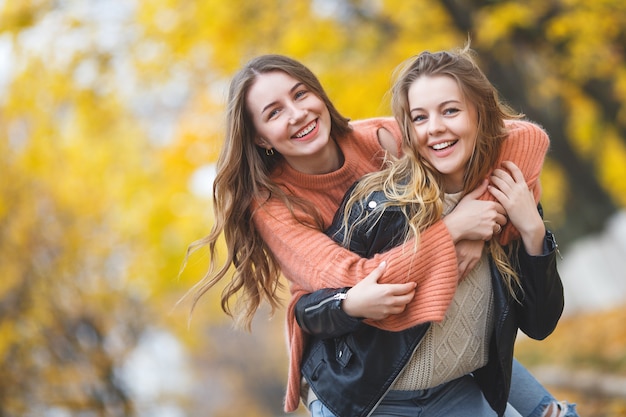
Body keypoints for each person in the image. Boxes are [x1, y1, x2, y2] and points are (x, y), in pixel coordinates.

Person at [184, 53, 560, 415]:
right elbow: (355, 279)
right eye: (274, 112)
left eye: (300, 94)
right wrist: (454, 230)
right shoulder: (273, 205)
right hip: (355, 353)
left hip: (431, 330)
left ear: (320, 95)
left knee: (550, 410)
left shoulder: (380, 139)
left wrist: (482, 223)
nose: (297, 114)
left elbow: (520, 137)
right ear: (261, 138)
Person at [295, 47, 576, 417]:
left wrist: (533, 231)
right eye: (420, 117)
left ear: (480, 113)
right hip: (368, 400)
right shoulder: (381, 204)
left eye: (450, 110)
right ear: (408, 129)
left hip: (453, 391)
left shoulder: (510, 197)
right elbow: (309, 310)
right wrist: (352, 303)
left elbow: (540, 325)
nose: (436, 128)